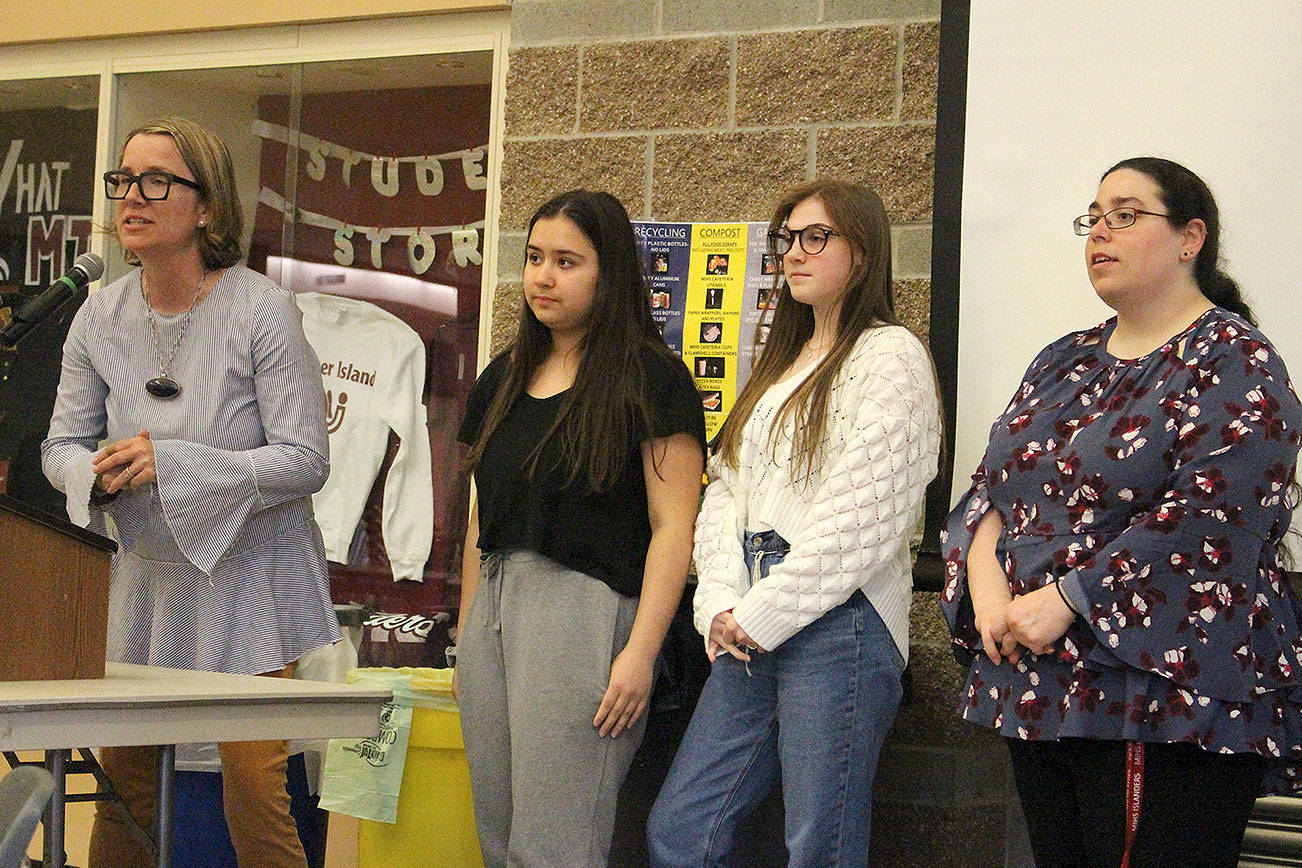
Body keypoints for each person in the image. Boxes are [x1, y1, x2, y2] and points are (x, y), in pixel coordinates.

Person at [939, 157, 1302, 867]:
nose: (1100, 232)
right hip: (1040, 684)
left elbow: (1212, 520)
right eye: (1094, 217)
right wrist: (988, 588)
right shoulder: (1062, 358)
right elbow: (994, 483)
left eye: (1126, 215)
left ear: (1189, 237)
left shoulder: (1234, 358)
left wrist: (1069, 598)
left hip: (1163, 700)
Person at [41, 116, 339, 868]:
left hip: (250, 585)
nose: (130, 198)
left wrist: (172, 463)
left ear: (206, 207)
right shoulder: (96, 314)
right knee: (126, 792)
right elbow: (59, 447)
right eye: (122, 180)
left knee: (254, 795)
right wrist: (93, 476)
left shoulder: (260, 309)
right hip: (146, 582)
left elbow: (306, 461)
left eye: (155, 181)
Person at [648, 179, 942, 867]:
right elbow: (722, 488)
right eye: (788, 239)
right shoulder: (779, 366)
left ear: (864, 253)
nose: (794, 254)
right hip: (751, 614)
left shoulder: (891, 354)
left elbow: (864, 518)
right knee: (683, 831)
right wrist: (719, 601)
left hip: (842, 622)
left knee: (819, 847)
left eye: (817, 237)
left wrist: (760, 612)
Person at [454, 189, 706, 867]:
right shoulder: (503, 376)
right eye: (535, 258)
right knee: (498, 838)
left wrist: (640, 654)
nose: (543, 276)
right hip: (495, 610)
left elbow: (673, 528)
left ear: (609, 272)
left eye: (567, 261)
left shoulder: (652, 378)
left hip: (585, 614)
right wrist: (467, 634)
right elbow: (483, 520)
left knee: (555, 848)